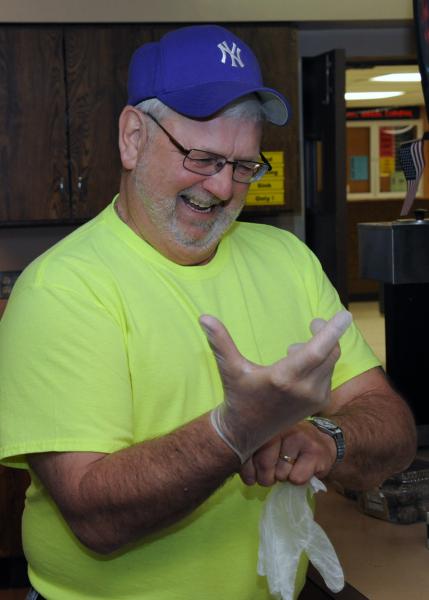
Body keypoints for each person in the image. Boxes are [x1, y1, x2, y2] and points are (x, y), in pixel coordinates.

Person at [0, 24, 416, 600]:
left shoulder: (288, 260)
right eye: (202, 157)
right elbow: (95, 517)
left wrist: (327, 438)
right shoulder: (62, 288)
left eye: (245, 165)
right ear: (132, 137)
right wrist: (237, 429)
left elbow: (392, 430)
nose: (222, 187)